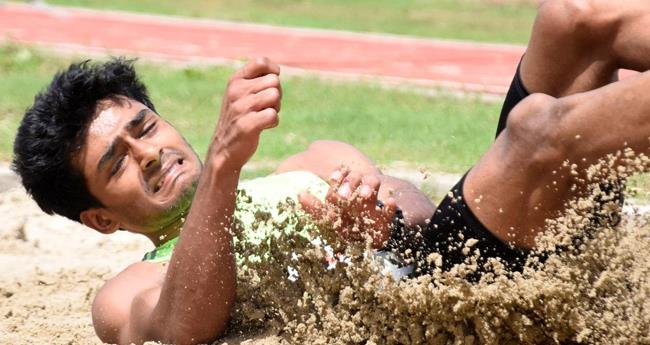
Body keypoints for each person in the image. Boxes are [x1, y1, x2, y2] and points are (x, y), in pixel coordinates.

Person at [12, 0, 650, 343]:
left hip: (466, 255)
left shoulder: (310, 162)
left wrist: (384, 217)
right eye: (117, 160)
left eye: (144, 127)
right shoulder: (127, 291)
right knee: (534, 127)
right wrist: (225, 168)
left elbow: (430, 215)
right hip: (449, 308)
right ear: (100, 217)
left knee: (571, 16)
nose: (149, 153)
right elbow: (183, 330)